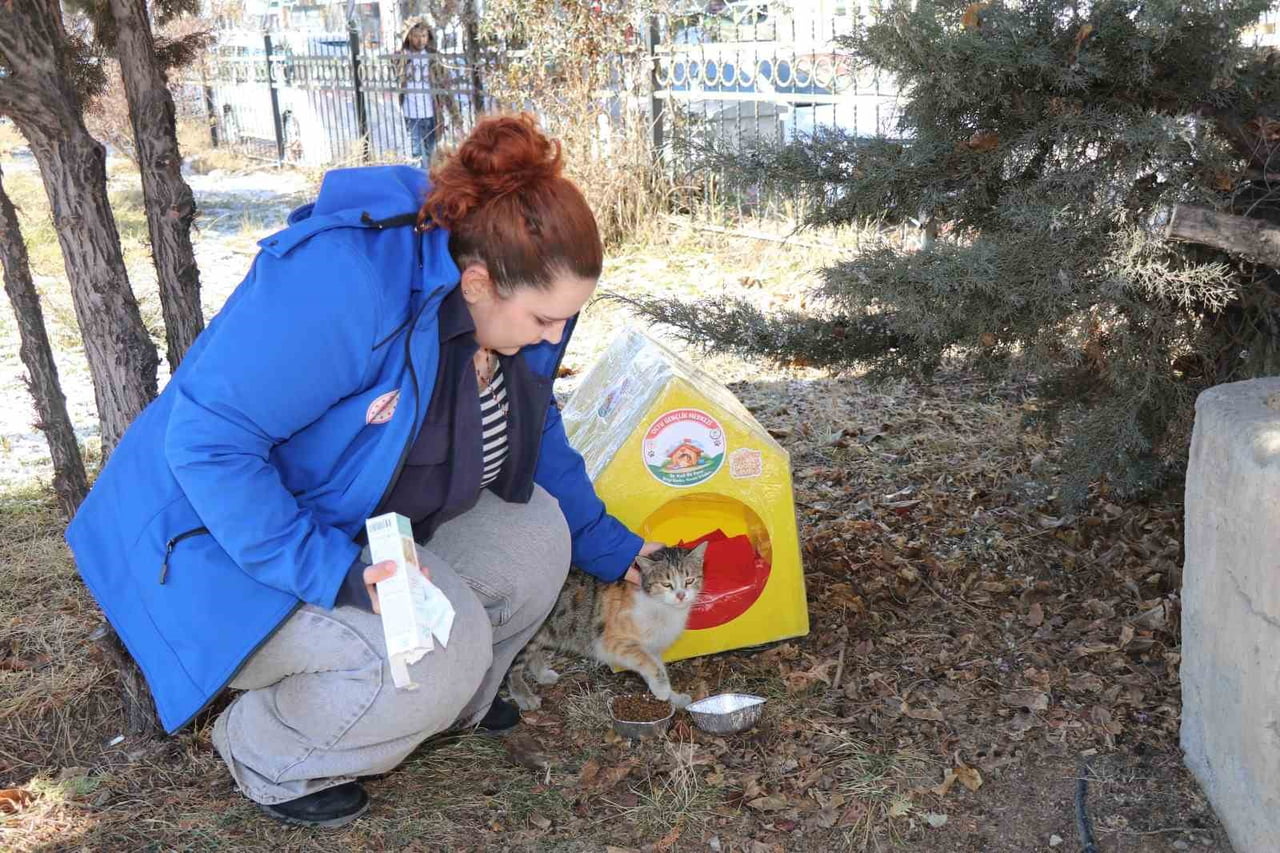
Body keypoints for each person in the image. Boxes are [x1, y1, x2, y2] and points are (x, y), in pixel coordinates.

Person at [65, 114, 664, 829]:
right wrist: (335, 573)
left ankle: (435, 697)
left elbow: (540, 431)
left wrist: (619, 550)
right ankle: (266, 747)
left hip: (346, 526)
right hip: (214, 554)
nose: (555, 338)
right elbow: (207, 446)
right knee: (449, 643)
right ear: (477, 282)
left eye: (566, 320)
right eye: (543, 319)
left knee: (538, 529)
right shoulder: (345, 285)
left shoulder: (506, 311)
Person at [397, 19, 440, 168]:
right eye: (416, 36)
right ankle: (419, 186)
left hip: (431, 113)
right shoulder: (402, 57)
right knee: (416, 154)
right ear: (409, 36)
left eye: (423, 35)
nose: (420, 40)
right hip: (412, 114)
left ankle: (429, 184)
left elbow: (444, 85)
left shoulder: (433, 57)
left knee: (431, 153)